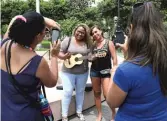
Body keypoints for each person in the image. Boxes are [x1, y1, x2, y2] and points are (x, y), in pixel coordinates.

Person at [106, 2, 167, 121]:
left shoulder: (126, 70)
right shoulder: (163, 60)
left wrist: (114, 71)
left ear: (132, 29)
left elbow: (112, 102)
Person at [1, 11, 60, 121]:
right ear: (38, 36)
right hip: (28, 116)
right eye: (45, 31)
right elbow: (52, 82)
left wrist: (42, 19)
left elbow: (15, 19)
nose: (45, 34)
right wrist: (55, 56)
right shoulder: (37, 62)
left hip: (5, 114)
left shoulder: (4, 45)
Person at [58, 23, 92, 121]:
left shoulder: (87, 43)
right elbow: (60, 52)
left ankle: (79, 112)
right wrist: (63, 57)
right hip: (67, 71)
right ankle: (64, 115)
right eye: (79, 31)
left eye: (83, 33)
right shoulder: (68, 40)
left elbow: (90, 56)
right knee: (67, 92)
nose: (80, 34)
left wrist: (92, 58)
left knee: (80, 92)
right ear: (75, 30)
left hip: (83, 72)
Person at [90, 25, 118, 121]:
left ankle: (114, 113)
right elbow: (89, 57)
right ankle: (99, 114)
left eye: (96, 31)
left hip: (106, 71)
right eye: (93, 33)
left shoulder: (108, 43)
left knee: (107, 95)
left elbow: (114, 58)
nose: (95, 34)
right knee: (97, 94)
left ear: (101, 31)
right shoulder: (93, 45)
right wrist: (92, 58)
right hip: (94, 71)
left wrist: (114, 69)